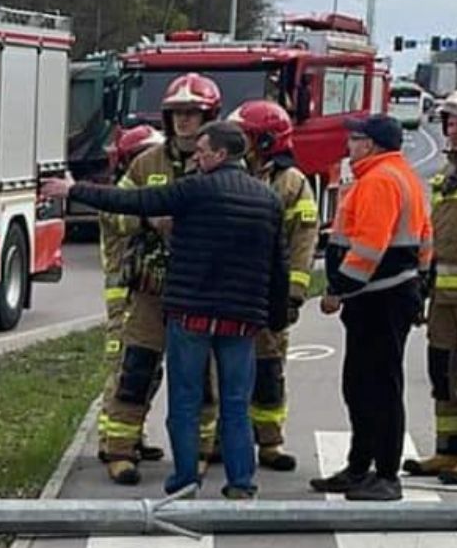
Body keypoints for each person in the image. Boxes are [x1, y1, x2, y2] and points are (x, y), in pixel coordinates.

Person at [44, 120, 290, 497]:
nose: (197, 156)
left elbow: (133, 201)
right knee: (236, 402)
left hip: (190, 314)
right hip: (242, 319)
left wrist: (75, 189)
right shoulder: (268, 199)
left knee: (185, 399)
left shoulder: (193, 190)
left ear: (221, 154)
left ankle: (185, 480)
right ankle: (241, 483)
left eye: (203, 151)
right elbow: (278, 264)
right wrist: (274, 317)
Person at [90, 73, 223, 486]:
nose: (184, 121)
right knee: (137, 368)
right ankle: (120, 451)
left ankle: (200, 452)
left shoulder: (220, 165)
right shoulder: (147, 163)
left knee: (201, 377)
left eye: (192, 113)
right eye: (177, 114)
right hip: (151, 289)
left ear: (209, 117)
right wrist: (147, 219)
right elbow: (112, 210)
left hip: (202, 290)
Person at [310, 113, 434, 502]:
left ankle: (385, 475)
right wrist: (420, 288)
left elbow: (369, 248)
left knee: (377, 387)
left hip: (377, 297)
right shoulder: (402, 176)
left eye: (356, 138)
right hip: (390, 295)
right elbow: (424, 241)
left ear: (373, 145)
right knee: (362, 385)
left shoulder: (380, 180)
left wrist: (338, 290)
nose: (350, 144)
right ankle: (360, 467)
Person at [228, 99, 321, 472]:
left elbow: (304, 240)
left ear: (265, 141)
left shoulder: (292, 183)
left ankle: (269, 441)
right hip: (231, 291)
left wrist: (294, 294)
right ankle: (225, 438)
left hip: (270, 294)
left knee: (268, 370)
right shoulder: (228, 172)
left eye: (244, 137)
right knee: (225, 369)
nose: (239, 144)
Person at [94, 124, 167, 462]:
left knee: (149, 371)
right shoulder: (117, 201)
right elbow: (123, 220)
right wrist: (153, 216)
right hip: (123, 299)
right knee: (124, 369)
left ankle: (133, 434)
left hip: (144, 295)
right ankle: (111, 439)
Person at [404, 92, 457, 485]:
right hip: (443, 293)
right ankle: (448, 452)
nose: (454, 131)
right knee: (443, 372)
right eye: (450, 124)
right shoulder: (448, 171)